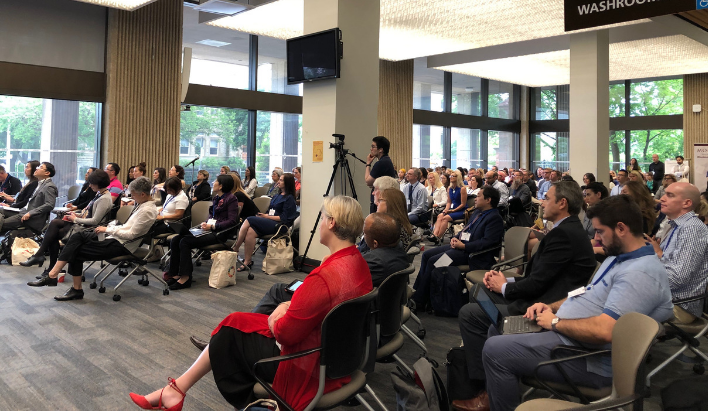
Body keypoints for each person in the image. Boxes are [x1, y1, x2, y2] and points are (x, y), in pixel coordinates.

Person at [130, 195, 372, 411]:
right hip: (336, 358)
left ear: (332, 223)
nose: (319, 223)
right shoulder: (358, 263)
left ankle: (178, 392)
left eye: (322, 217)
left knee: (228, 332)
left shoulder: (324, 276)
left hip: (308, 365)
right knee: (235, 323)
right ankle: (175, 391)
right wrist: (289, 307)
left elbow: (287, 334)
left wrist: (278, 313)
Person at [480, 195, 673, 411]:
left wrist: (554, 322)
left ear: (621, 228)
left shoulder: (640, 273)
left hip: (591, 360)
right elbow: (587, 293)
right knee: (498, 328)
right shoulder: (618, 257)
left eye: (600, 232)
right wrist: (551, 307)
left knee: (495, 349)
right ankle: (499, 393)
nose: (597, 239)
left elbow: (606, 332)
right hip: (572, 341)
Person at [454, 181, 597, 411]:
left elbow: (537, 284)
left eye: (547, 198)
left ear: (562, 203)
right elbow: (539, 277)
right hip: (541, 297)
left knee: (471, 313)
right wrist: (504, 282)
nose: (542, 202)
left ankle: (487, 389)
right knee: (478, 301)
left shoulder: (565, 234)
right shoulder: (566, 229)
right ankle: (492, 381)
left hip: (544, 306)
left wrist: (504, 288)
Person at [242, 212, 407, 320]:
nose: (362, 238)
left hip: (341, 316)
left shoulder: (372, 262)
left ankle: (251, 327)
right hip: (374, 314)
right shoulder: (399, 253)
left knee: (278, 289)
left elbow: (331, 293)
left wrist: (325, 268)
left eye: (366, 235)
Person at [26, 177, 158, 301]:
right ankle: (55, 275)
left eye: (133, 195)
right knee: (77, 236)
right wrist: (111, 227)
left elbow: (131, 235)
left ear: (142, 194)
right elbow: (127, 227)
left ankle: (64, 282)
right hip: (115, 237)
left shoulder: (147, 211)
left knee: (75, 250)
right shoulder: (142, 205)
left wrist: (108, 229)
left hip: (122, 245)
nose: (131, 197)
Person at [412, 186, 504, 309]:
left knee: (435, 262)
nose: (475, 199)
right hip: (460, 248)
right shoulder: (478, 213)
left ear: (488, 200)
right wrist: (456, 237)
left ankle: (419, 300)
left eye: (479, 196)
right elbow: (466, 230)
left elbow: (488, 243)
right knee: (426, 255)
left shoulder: (494, 218)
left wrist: (464, 246)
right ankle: (419, 290)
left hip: (472, 255)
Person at [21, 170, 113, 274]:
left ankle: (45, 262)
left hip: (91, 230)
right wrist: (74, 215)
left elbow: (95, 221)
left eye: (92, 183)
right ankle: (44, 260)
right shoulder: (99, 194)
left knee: (54, 234)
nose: (90, 185)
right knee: (55, 223)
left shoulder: (104, 198)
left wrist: (75, 219)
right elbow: (88, 213)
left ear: (99, 183)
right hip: (85, 224)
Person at [646, 182, 708, 324]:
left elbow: (677, 279)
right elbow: (668, 264)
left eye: (670, 195)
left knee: (619, 304)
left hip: (680, 305)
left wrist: (643, 277)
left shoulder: (692, 229)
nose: (662, 198)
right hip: (667, 297)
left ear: (686, 203)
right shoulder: (676, 226)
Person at [165, 175, 239, 290]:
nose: (213, 183)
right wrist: (205, 223)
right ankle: (174, 274)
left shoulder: (231, 199)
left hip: (220, 233)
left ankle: (186, 277)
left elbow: (232, 221)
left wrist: (213, 226)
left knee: (185, 241)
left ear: (221, 186)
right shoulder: (216, 198)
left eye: (216, 182)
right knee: (176, 239)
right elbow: (212, 216)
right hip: (209, 229)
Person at [232, 173, 297, 271]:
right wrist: (264, 216)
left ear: (288, 183)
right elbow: (269, 211)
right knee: (250, 231)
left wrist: (267, 216)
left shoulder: (290, 198)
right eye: (280, 179)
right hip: (270, 221)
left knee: (249, 219)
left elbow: (284, 218)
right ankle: (247, 261)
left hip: (280, 226)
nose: (279, 181)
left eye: (282, 180)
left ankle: (235, 249)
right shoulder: (277, 196)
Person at [0, 162, 58, 235]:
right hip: (23, 211)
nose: (36, 168)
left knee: (2, 223)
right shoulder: (40, 184)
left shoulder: (49, 186)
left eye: (40, 167)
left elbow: (50, 205)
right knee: (1, 210)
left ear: (47, 173)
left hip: (32, 218)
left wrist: (30, 213)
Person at [428, 169, 466, 244]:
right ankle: (435, 235)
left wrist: (452, 211)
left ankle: (438, 237)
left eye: (453, 176)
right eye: (450, 176)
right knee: (440, 216)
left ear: (458, 177)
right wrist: (446, 210)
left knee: (445, 218)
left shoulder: (462, 189)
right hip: (451, 209)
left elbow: (463, 204)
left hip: (460, 210)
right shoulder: (449, 188)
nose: (451, 177)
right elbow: (449, 202)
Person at [365, 136, 397, 213]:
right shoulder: (387, 161)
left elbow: (368, 181)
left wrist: (368, 164)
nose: (371, 149)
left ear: (380, 149)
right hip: (384, 199)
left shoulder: (380, 163)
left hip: (379, 200)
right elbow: (371, 184)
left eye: (373, 146)